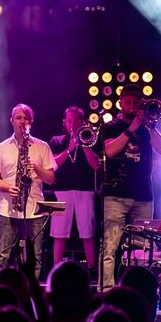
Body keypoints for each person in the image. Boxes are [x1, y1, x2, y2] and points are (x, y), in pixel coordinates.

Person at [99, 85, 161, 289]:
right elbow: (110, 151)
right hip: (115, 195)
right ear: (120, 103)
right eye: (128, 102)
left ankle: (137, 291)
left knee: (142, 249)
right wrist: (132, 128)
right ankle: (106, 291)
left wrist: (150, 126)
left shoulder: (148, 127)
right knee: (110, 247)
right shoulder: (111, 126)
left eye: (136, 103)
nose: (132, 106)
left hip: (143, 195)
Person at [0, 104, 55, 268]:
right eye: (18, 118)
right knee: (0, 257)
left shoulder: (42, 146)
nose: (22, 121)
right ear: (12, 120)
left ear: (31, 122)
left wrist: (37, 168)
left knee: (35, 259)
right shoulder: (1, 147)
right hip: (7, 209)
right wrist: (7, 187)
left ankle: (30, 286)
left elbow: (51, 179)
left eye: (26, 118)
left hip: (35, 210)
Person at [49, 106, 101, 272]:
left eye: (76, 122)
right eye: (69, 121)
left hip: (85, 191)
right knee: (59, 233)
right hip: (61, 191)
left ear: (83, 122)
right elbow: (53, 164)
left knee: (87, 232)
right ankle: (56, 270)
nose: (72, 125)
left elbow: (96, 165)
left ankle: (92, 269)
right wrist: (70, 148)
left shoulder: (91, 138)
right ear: (64, 122)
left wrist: (84, 144)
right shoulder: (56, 141)